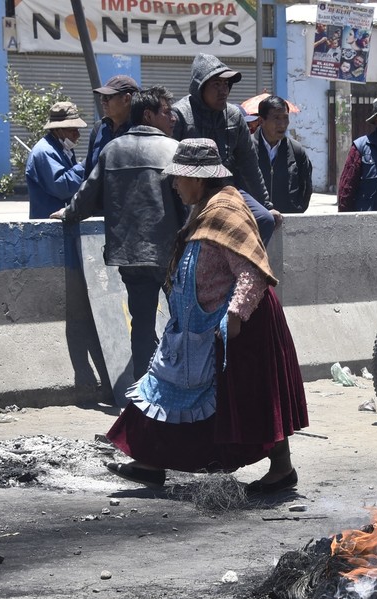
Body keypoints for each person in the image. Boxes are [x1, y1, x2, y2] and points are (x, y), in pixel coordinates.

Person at [103, 138, 308, 494]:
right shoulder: (204, 208)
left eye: (178, 178)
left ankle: (281, 470)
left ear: (197, 179)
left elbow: (252, 271)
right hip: (204, 322)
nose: (174, 185)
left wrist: (235, 315)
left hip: (243, 319)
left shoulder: (224, 210)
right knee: (164, 384)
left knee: (255, 397)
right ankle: (149, 462)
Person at [50, 87, 183, 380]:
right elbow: (188, 205)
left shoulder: (112, 150)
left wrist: (68, 213)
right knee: (184, 321)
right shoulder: (173, 150)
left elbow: (85, 198)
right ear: (148, 115)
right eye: (166, 111)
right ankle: (180, 388)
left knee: (143, 325)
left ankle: (142, 395)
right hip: (170, 256)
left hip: (131, 256)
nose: (172, 117)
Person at [172, 53, 279, 245]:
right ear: (200, 87)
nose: (223, 90)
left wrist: (267, 205)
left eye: (226, 84)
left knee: (265, 220)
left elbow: (249, 164)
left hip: (226, 191)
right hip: (190, 194)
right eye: (216, 84)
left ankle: (239, 264)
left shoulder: (234, 115)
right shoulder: (179, 114)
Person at [251, 95, 312, 214]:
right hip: (254, 221)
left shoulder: (296, 151)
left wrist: (296, 209)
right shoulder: (246, 149)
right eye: (276, 118)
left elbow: (306, 187)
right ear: (261, 121)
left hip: (287, 223)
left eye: (285, 118)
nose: (283, 124)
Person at [25, 101, 87, 219]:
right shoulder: (45, 152)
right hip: (47, 224)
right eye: (73, 130)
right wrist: (85, 165)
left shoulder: (63, 148)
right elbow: (63, 187)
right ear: (58, 130)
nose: (77, 135)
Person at [85, 75, 139, 178]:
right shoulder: (99, 129)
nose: (102, 101)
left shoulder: (141, 129)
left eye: (107, 97)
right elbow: (88, 172)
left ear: (126, 99)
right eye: (101, 97)